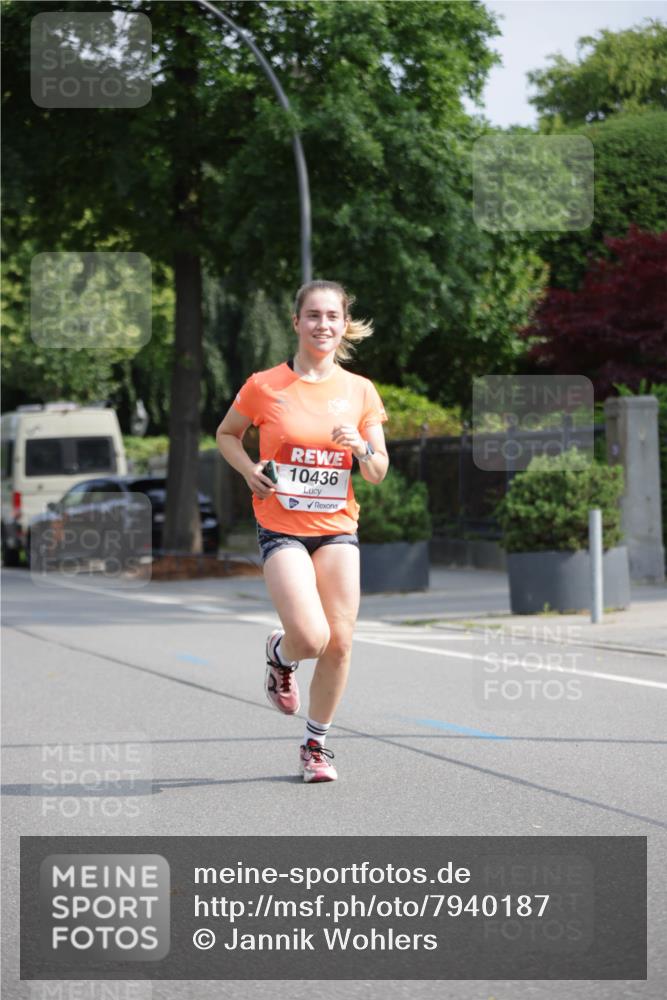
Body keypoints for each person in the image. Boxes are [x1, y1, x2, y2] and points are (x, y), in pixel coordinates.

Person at [216, 279, 388, 783]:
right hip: (281, 525)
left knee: (340, 642)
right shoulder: (265, 385)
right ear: (296, 322)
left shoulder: (360, 391)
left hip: (337, 527)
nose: (323, 325)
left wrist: (360, 446)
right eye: (313, 315)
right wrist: (248, 469)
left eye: (332, 316)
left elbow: (378, 472)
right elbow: (226, 434)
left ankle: (316, 746)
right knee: (310, 638)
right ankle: (280, 653)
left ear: (344, 323)